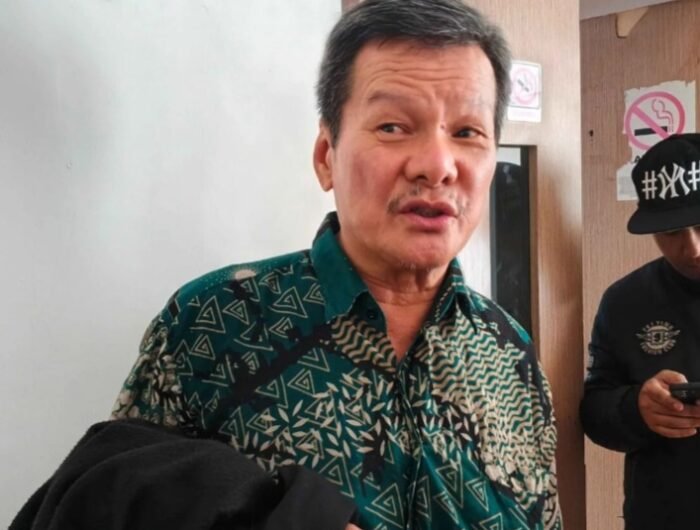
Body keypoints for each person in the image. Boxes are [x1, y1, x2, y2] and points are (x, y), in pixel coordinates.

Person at [112, 0, 561, 528]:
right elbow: (111, 505)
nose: (438, 166)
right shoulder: (211, 324)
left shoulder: (511, 352)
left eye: (467, 133)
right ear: (326, 155)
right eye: (393, 126)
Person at [581, 133, 700, 530]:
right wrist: (636, 409)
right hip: (664, 516)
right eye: (672, 232)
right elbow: (594, 410)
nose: (692, 248)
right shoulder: (625, 301)